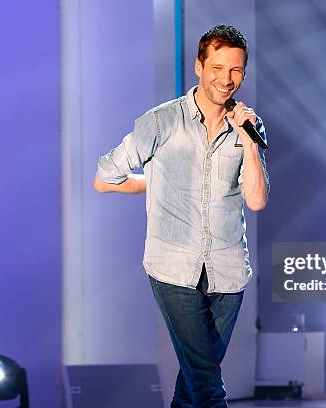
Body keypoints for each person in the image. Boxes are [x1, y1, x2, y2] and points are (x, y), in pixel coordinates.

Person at [94, 24, 269, 408]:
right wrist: (154, 183)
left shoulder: (249, 126)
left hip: (228, 272)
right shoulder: (161, 122)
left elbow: (256, 200)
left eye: (235, 70)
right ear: (199, 67)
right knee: (208, 383)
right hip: (173, 268)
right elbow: (105, 178)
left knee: (194, 382)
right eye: (218, 68)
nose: (226, 79)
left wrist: (249, 141)